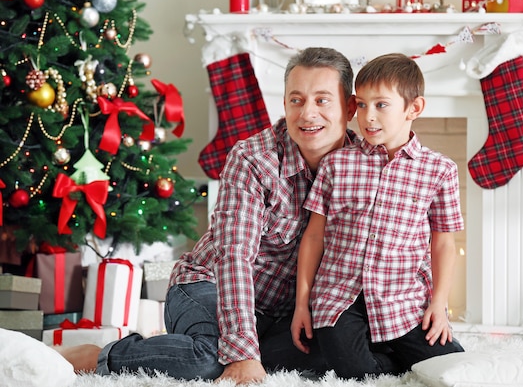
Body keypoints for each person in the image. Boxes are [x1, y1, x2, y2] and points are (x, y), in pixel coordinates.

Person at [57, 47, 364, 385]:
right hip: (208, 285)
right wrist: (243, 354)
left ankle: (220, 347)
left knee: (340, 355)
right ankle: (101, 355)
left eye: (322, 100)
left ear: (349, 108)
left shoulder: (366, 166)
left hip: (284, 312)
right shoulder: (252, 159)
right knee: (209, 363)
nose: (308, 114)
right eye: (296, 100)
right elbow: (235, 258)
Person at [290, 53, 465, 380]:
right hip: (339, 298)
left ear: (414, 108)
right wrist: (302, 304)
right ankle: (389, 357)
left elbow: (442, 244)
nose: (368, 117)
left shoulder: (440, 171)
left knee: (453, 366)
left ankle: (391, 348)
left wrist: (438, 305)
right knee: (352, 370)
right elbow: (313, 237)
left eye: (381, 105)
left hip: (402, 301)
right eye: (362, 105)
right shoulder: (337, 165)